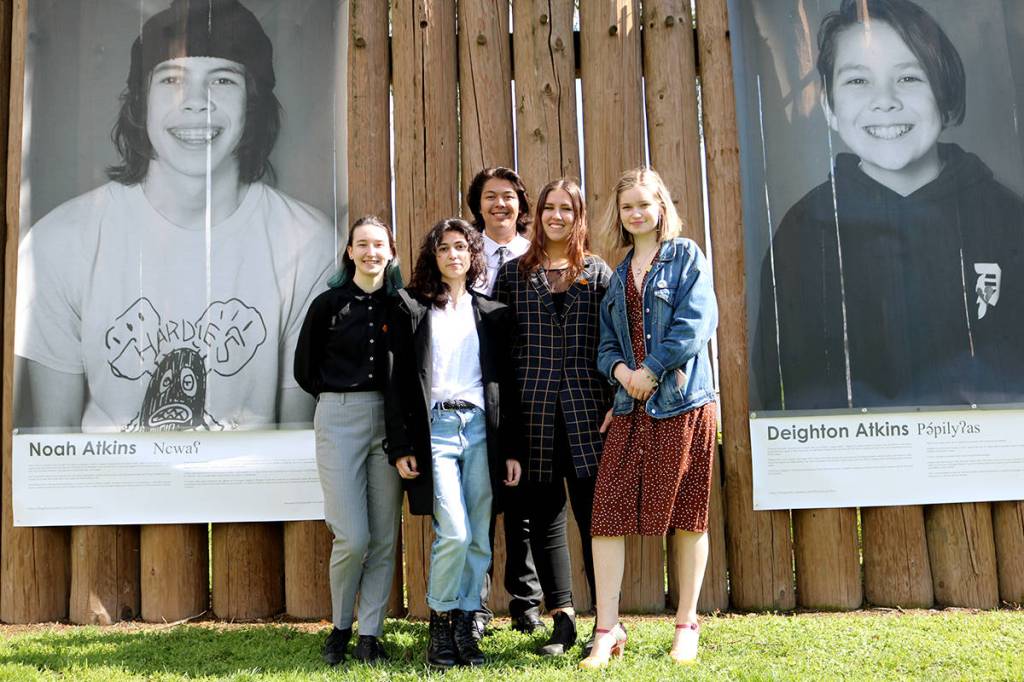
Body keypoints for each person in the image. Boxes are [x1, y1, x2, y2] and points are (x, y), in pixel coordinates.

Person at [14, 0, 335, 432]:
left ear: (252, 101)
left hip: (245, 497)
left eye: (222, 79)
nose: (195, 103)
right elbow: (57, 445)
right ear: (141, 99)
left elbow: (301, 447)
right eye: (172, 79)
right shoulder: (59, 242)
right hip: (111, 499)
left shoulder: (308, 244)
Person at [754, 0, 1024, 412]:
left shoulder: (1006, 219)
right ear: (828, 106)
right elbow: (787, 385)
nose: (885, 101)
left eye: (909, 77)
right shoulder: (802, 233)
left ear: (945, 93)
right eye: (858, 81)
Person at [581, 168, 718, 669]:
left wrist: (651, 370)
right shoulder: (617, 275)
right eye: (626, 207)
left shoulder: (686, 256)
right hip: (629, 409)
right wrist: (622, 371)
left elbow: (696, 322)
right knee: (606, 516)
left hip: (682, 405)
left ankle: (686, 624)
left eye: (643, 203)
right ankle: (607, 628)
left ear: (661, 206)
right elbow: (606, 344)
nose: (635, 213)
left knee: (687, 515)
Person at [384, 218, 523, 668]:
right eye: (444, 248)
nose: (453, 255)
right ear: (433, 256)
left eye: (461, 247)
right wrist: (401, 444)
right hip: (436, 431)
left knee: (479, 533)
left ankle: (467, 626)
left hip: (482, 430)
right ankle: (440, 624)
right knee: (455, 531)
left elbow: (506, 387)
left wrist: (513, 450)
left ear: (472, 255)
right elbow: (399, 382)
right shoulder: (411, 308)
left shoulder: (492, 313)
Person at [492, 178, 612, 656]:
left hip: (589, 416)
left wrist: (615, 408)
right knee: (544, 522)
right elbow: (502, 354)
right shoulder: (513, 275)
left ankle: (606, 622)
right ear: (536, 215)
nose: (556, 216)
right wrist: (508, 427)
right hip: (533, 416)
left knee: (594, 521)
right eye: (548, 208)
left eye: (567, 208)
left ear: (578, 215)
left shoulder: (599, 274)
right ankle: (563, 619)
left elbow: (613, 346)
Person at [293, 216, 404, 666]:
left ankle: (370, 635)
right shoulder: (327, 304)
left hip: (390, 420)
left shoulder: (404, 306)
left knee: (382, 538)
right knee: (353, 536)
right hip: (338, 417)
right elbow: (304, 368)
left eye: (379, 244)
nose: (371, 252)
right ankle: (341, 627)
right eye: (362, 244)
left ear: (391, 252)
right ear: (350, 252)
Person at [465, 166, 544, 635]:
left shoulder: (534, 256)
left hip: (525, 387)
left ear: (520, 204)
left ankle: (525, 603)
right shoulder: (461, 252)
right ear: (478, 205)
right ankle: (475, 605)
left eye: (509, 197)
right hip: (475, 389)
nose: (500, 205)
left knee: (523, 502)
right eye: (490, 197)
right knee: (478, 498)